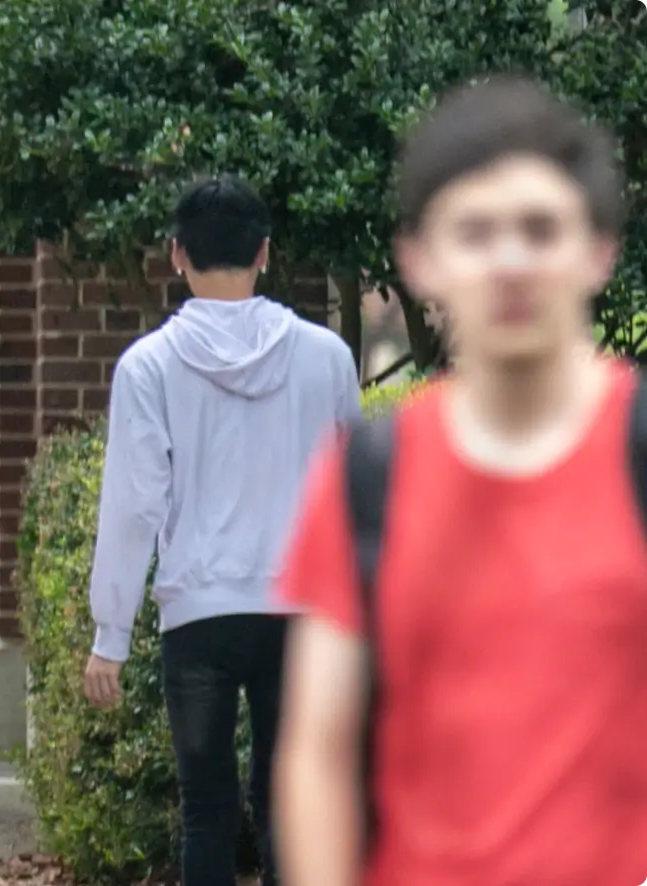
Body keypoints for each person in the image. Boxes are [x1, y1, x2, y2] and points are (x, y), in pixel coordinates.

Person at [274, 75, 646, 886]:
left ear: (598, 250)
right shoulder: (369, 478)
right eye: (475, 233)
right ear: (419, 259)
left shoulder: (639, 451)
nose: (510, 261)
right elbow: (318, 752)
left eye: (540, 229)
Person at [81, 176, 360, 886]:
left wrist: (109, 635)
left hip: (198, 613)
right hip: (300, 614)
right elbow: (352, 489)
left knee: (206, 808)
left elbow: (133, 504)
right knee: (288, 806)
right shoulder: (326, 356)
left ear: (176, 255)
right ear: (265, 252)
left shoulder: (149, 366)